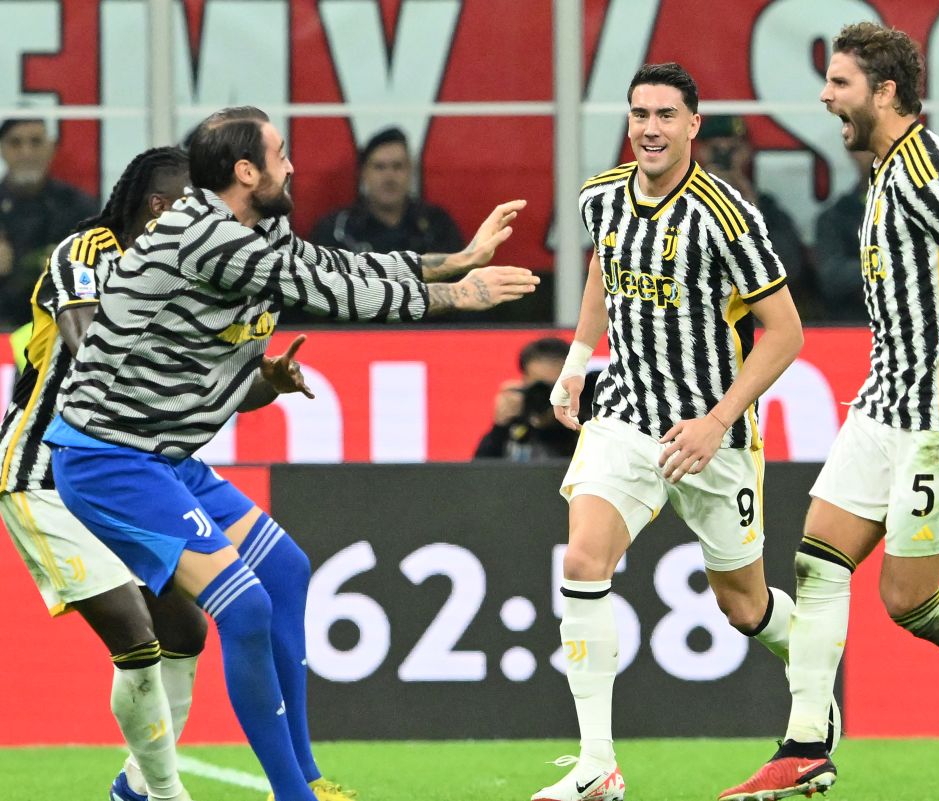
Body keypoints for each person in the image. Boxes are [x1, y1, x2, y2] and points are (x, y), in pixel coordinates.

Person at [42, 106, 537, 801]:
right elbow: (332, 291)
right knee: (243, 609)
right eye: (280, 154)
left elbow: (333, 264)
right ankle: (292, 796)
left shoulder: (260, 228)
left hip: (164, 453)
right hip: (108, 458)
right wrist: (454, 293)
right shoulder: (204, 235)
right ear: (246, 172)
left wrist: (455, 257)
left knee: (284, 569)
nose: (293, 165)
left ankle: (302, 780)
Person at [721, 22, 939, 800]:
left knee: (907, 601)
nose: (825, 96)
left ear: (884, 92)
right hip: (882, 403)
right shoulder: (885, 171)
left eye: (839, 82)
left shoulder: (925, 169)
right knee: (817, 561)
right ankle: (806, 743)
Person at [537, 63, 809, 801]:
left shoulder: (728, 216)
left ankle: (813, 686)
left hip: (713, 435)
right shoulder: (601, 197)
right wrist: (577, 363)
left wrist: (717, 421)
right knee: (583, 560)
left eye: (665, 115)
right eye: (639, 114)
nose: (650, 128)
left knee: (744, 606)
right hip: (626, 414)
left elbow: (786, 333)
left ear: (693, 124)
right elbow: (606, 271)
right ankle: (597, 765)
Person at [0, 146, 203, 801]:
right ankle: (166, 795)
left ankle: (137, 787)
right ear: (158, 206)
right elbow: (86, 340)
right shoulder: (85, 252)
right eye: (193, 203)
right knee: (136, 637)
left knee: (185, 629)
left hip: (113, 478)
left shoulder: (177, 275)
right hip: (40, 473)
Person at [693, 114, 823, 319]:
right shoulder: (681, 205)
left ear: (747, 153)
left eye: (733, 150)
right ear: (700, 152)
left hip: (754, 318)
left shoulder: (769, 210)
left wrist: (753, 214)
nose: (725, 158)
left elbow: (790, 269)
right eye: (715, 150)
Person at [0, 118, 98, 327]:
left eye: (35, 142)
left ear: (51, 148)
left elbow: (100, 278)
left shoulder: (81, 208)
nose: (26, 153)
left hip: (63, 328)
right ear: (2, 149)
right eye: (15, 143)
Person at [309, 125, 464, 255]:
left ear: (410, 171)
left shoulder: (438, 226)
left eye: (397, 166)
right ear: (363, 173)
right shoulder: (336, 231)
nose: (389, 177)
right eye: (380, 167)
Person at [474, 336, 580, 461]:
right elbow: (480, 469)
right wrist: (499, 428)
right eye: (540, 387)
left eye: (557, 387)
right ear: (524, 382)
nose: (549, 396)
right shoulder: (515, 422)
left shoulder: (582, 419)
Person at [812, 150, 873, 322]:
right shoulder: (836, 217)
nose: (879, 154)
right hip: (854, 325)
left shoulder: (924, 211)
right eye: (869, 146)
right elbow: (831, 276)